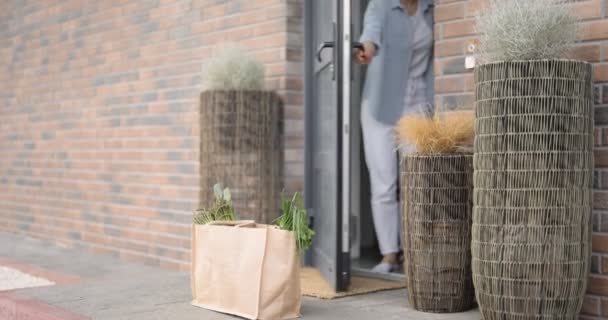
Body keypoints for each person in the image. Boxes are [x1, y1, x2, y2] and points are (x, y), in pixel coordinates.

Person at [356, 0, 434, 273]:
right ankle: (390, 254)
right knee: (384, 184)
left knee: (417, 181)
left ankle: (415, 251)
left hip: (418, 103)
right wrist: (365, 50)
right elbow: (371, 34)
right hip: (381, 105)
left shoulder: (429, 8)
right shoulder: (381, 5)